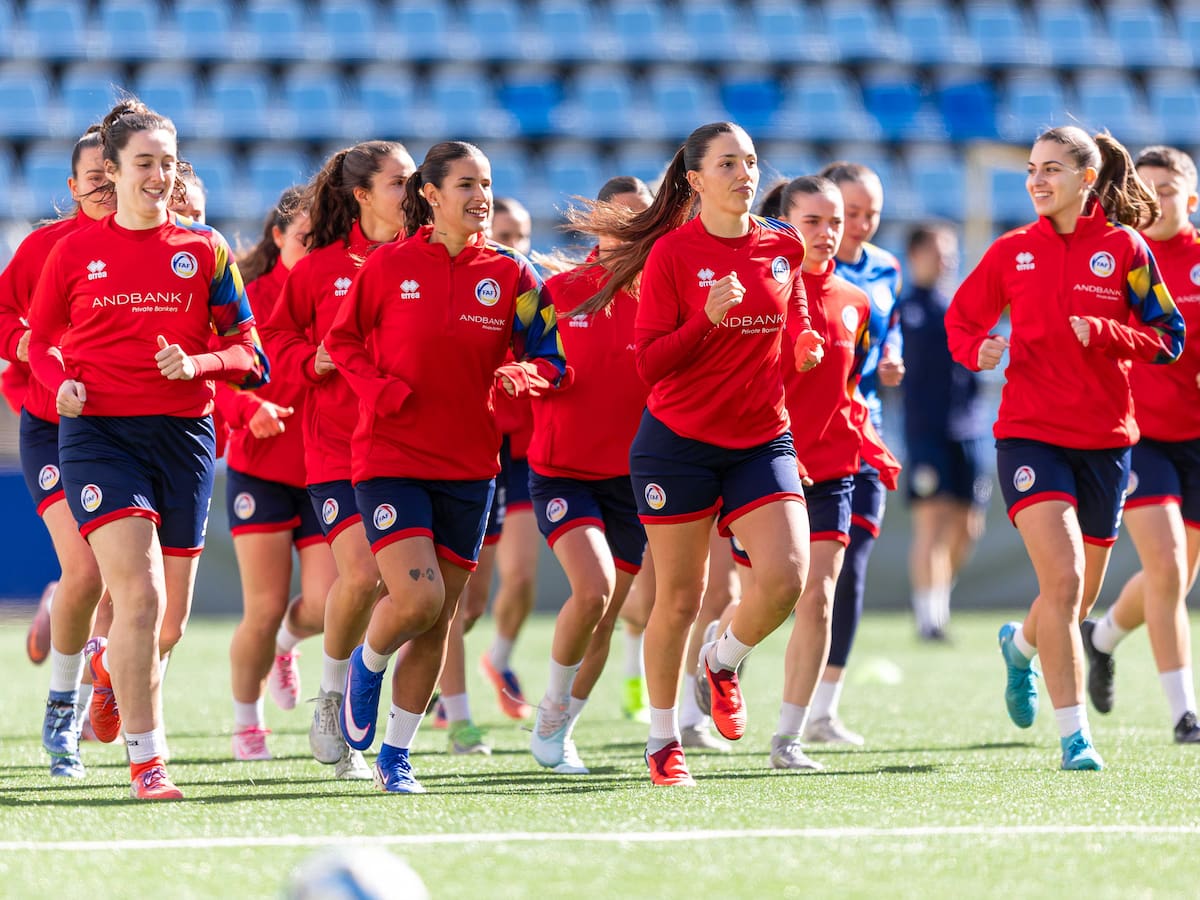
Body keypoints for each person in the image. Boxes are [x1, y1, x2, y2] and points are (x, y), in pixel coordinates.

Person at [27, 97, 268, 799]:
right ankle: (148, 762)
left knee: (167, 626)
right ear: (112, 170)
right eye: (145, 163)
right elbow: (40, 343)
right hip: (100, 436)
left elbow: (251, 352)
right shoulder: (72, 252)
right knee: (139, 595)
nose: (159, 175)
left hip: (184, 438)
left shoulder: (206, 249)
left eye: (168, 162)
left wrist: (199, 365)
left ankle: (108, 665)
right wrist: (61, 384)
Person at [571, 121, 824, 786]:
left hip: (762, 437)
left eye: (751, 162)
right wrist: (705, 319)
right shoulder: (672, 255)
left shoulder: (783, 244)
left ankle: (722, 659)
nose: (745, 174)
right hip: (677, 445)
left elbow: (794, 304)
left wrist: (803, 340)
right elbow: (650, 364)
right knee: (680, 599)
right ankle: (663, 739)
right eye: (728, 164)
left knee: (787, 578)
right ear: (695, 180)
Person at [329, 140, 567, 794]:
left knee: (440, 621)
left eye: (486, 183)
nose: (480, 196)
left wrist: (526, 375)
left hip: (471, 465)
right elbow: (341, 342)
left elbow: (552, 356)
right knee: (419, 598)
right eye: (466, 184)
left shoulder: (516, 275)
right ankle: (368, 661)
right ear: (431, 194)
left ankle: (396, 757)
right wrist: (380, 391)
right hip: (390, 457)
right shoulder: (388, 265)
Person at [945, 126, 1184, 770]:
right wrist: (976, 349)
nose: (1037, 180)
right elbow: (961, 321)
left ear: (1087, 177)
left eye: (1051, 168)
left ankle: (1019, 646)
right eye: (1032, 169)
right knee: (1065, 578)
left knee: (1074, 600)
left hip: (1106, 445)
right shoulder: (1011, 250)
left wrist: (1109, 332)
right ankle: (1075, 735)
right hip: (1028, 437)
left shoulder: (1126, 248)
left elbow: (1170, 335)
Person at [734, 176, 898, 770]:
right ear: (784, 224)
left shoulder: (857, 301)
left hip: (833, 467)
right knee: (760, 595)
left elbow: (849, 388)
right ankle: (718, 659)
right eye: (813, 221)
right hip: (763, 465)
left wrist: (870, 442)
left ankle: (789, 737)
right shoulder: (758, 291)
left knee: (820, 595)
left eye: (836, 222)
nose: (829, 233)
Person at [263, 141, 413, 779]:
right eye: (400, 181)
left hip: (411, 449)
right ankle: (332, 697)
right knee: (361, 576)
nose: (413, 191)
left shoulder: (426, 256)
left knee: (420, 596)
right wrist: (311, 359)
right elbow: (275, 338)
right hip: (336, 450)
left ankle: (378, 699)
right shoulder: (319, 269)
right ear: (363, 194)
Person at [526, 175, 652, 774]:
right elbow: (519, 358)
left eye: (646, 219)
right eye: (624, 218)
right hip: (563, 473)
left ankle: (562, 730)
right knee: (594, 588)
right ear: (598, 222)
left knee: (607, 617)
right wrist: (531, 376)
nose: (636, 230)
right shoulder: (556, 292)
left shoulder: (667, 296)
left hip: (634, 479)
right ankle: (550, 709)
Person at [0, 127, 115, 777]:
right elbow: (2, 315)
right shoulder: (46, 247)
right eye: (94, 178)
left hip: (131, 433)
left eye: (114, 175)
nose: (106, 188)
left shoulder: (166, 247)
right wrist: (25, 347)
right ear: (73, 187)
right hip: (52, 427)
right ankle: (62, 708)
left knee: (136, 586)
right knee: (89, 570)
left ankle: (115, 685)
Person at [1081, 145, 1200, 744]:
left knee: (1174, 578)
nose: (1155, 201)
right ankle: (1185, 713)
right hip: (1139, 434)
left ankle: (1101, 638)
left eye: (1168, 190)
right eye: (1144, 190)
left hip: (1196, 438)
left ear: (1191, 199)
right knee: (1168, 565)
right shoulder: (1121, 255)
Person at [221, 188, 337, 760]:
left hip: (324, 472)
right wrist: (250, 410)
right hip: (260, 470)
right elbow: (216, 378)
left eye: (322, 240)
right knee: (263, 608)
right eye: (303, 239)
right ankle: (247, 722)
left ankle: (287, 645)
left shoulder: (340, 292)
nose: (312, 250)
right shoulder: (250, 297)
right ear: (277, 237)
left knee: (328, 602)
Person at [803, 161, 904, 747]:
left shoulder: (886, 267)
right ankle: (716, 665)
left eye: (871, 214)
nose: (860, 225)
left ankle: (822, 708)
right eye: (852, 213)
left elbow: (888, 329)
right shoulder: (792, 267)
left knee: (849, 567)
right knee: (758, 578)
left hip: (861, 431)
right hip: (790, 436)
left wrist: (891, 356)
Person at [897, 224, 991, 640]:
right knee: (931, 522)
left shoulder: (961, 307)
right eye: (939, 251)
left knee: (969, 526)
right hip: (926, 432)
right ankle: (929, 618)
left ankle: (939, 599)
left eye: (951, 252)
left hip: (968, 429)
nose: (947, 260)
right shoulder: (904, 310)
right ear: (916, 255)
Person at [478, 195, 542, 721]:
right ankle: (440, 689)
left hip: (523, 450)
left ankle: (498, 659)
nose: (516, 245)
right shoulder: (474, 285)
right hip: (475, 444)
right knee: (463, 595)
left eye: (523, 235)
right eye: (506, 234)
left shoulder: (534, 290)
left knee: (521, 576)